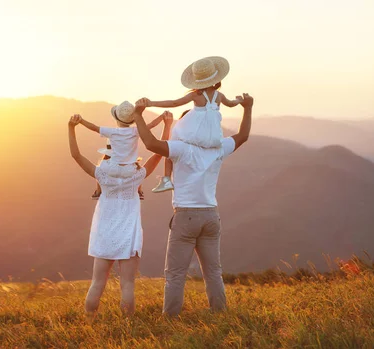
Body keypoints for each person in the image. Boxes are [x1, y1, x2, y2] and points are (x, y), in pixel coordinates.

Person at [134, 93, 254, 316]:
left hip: (186, 216)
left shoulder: (182, 149)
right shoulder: (218, 148)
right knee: (213, 273)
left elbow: (150, 143)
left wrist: (138, 115)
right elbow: (243, 135)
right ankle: (220, 316)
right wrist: (247, 107)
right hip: (211, 215)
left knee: (175, 275)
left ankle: (170, 321)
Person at [67, 109, 173, 318]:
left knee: (97, 283)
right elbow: (159, 152)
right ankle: (128, 327)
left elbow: (76, 155)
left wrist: (71, 128)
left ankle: (89, 323)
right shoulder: (136, 175)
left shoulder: (102, 174)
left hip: (104, 233)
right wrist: (167, 125)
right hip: (128, 234)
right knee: (127, 285)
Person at [137, 57, 242, 193]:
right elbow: (231, 104)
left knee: (173, 142)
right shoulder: (219, 96)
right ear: (216, 78)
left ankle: (167, 178)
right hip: (213, 137)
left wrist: (152, 103)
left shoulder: (196, 95)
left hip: (194, 133)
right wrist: (239, 101)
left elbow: (174, 103)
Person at [77, 101, 167, 200]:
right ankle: (139, 191)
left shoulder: (111, 132)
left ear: (117, 119)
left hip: (113, 166)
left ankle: (98, 191)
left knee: (101, 168)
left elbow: (94, 127)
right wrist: (162, 117)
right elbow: (151, 125)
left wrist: (81, 121)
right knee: (138, 169)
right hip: (129, 168)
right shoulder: (136, 131)